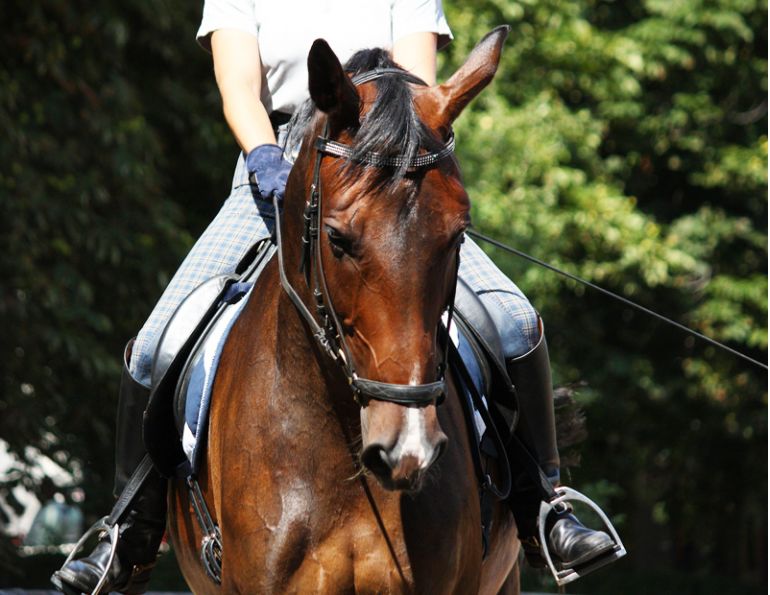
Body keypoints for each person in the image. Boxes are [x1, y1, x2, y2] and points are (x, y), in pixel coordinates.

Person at [52, 1, 617, 592]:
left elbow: (414, 86)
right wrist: (265, 155)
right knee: (154, 346)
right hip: (274, 171)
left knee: (516, 321)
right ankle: (130, 531)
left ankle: (544, 508)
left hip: (388, 178)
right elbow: (241, 88)